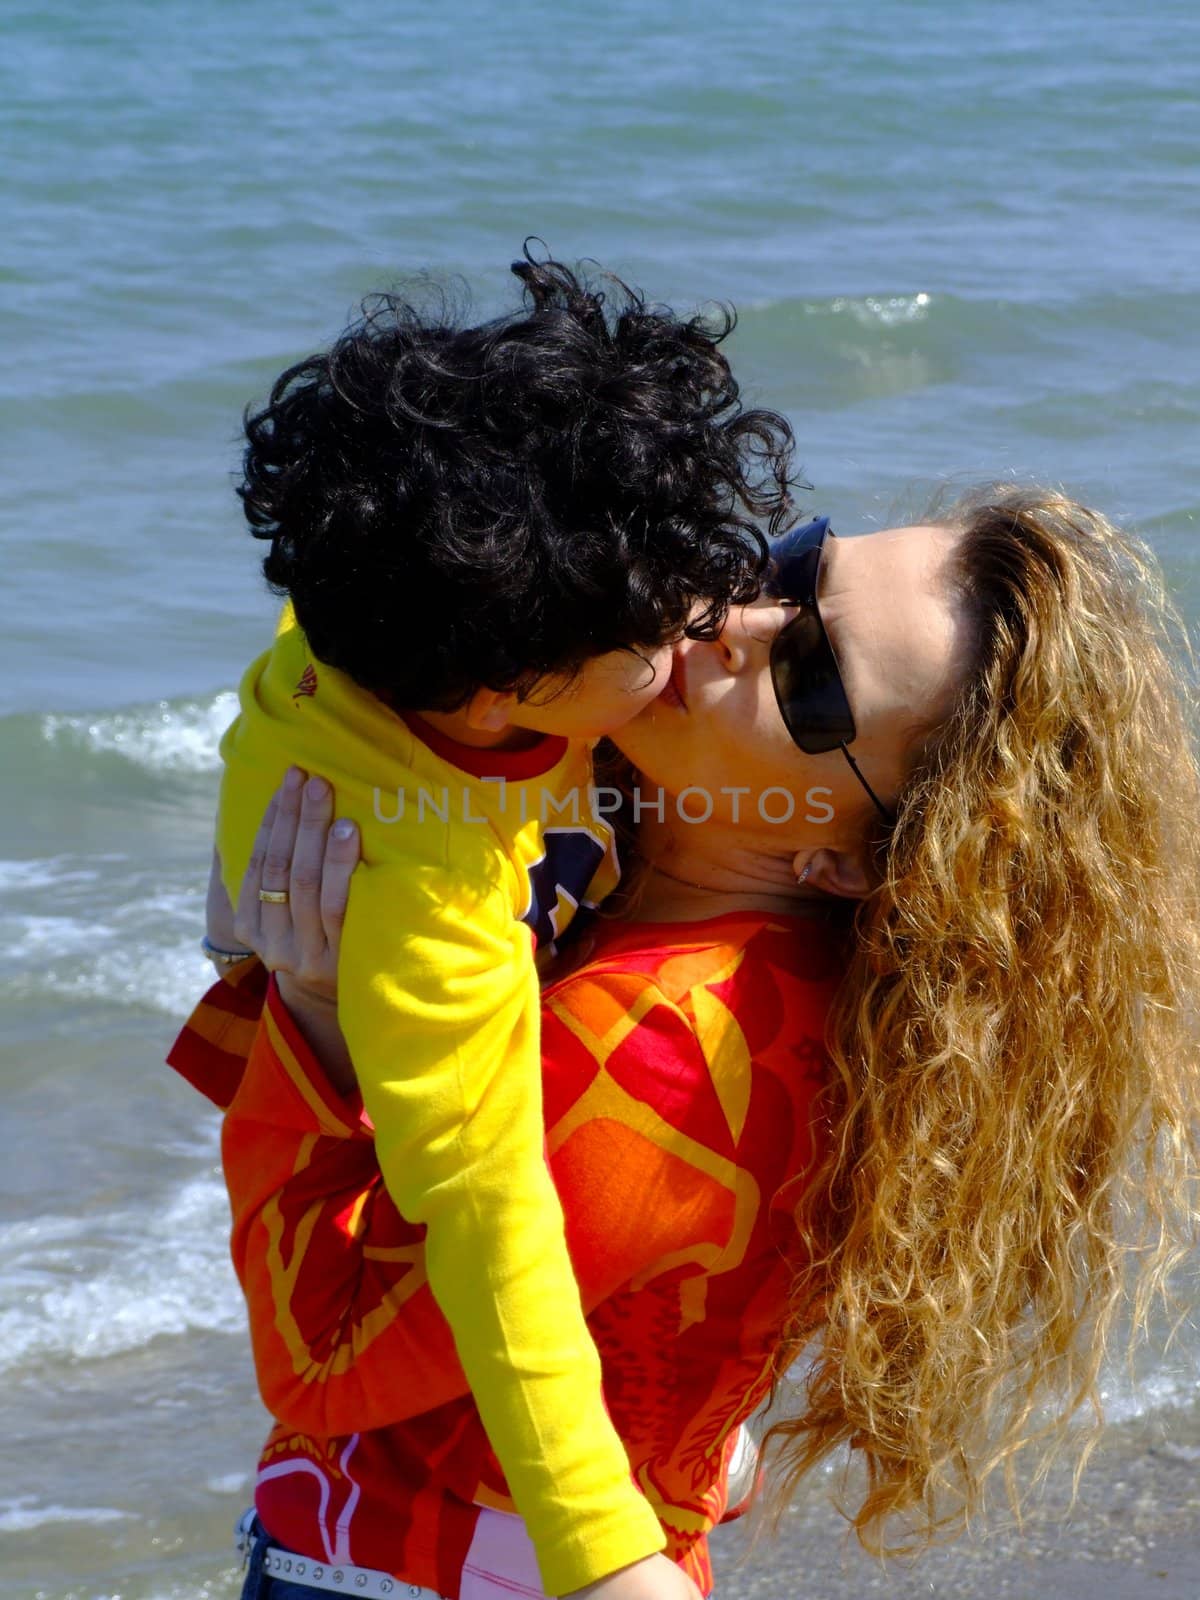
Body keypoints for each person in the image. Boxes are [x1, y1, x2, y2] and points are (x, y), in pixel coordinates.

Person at [177, 487, 1200, 1600]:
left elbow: (320, 1352)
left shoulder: (660, 1050)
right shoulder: (753, 952)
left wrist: (314, 1009)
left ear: (851, 856)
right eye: (792, 568)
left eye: (809, 678)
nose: (732, 626)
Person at [196, 250, 796, 1600]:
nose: (706, 621)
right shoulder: (427, 898)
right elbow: (491, 1226)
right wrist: (600, 1554)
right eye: (657, 620)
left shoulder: (428, 601)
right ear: (499, 695)